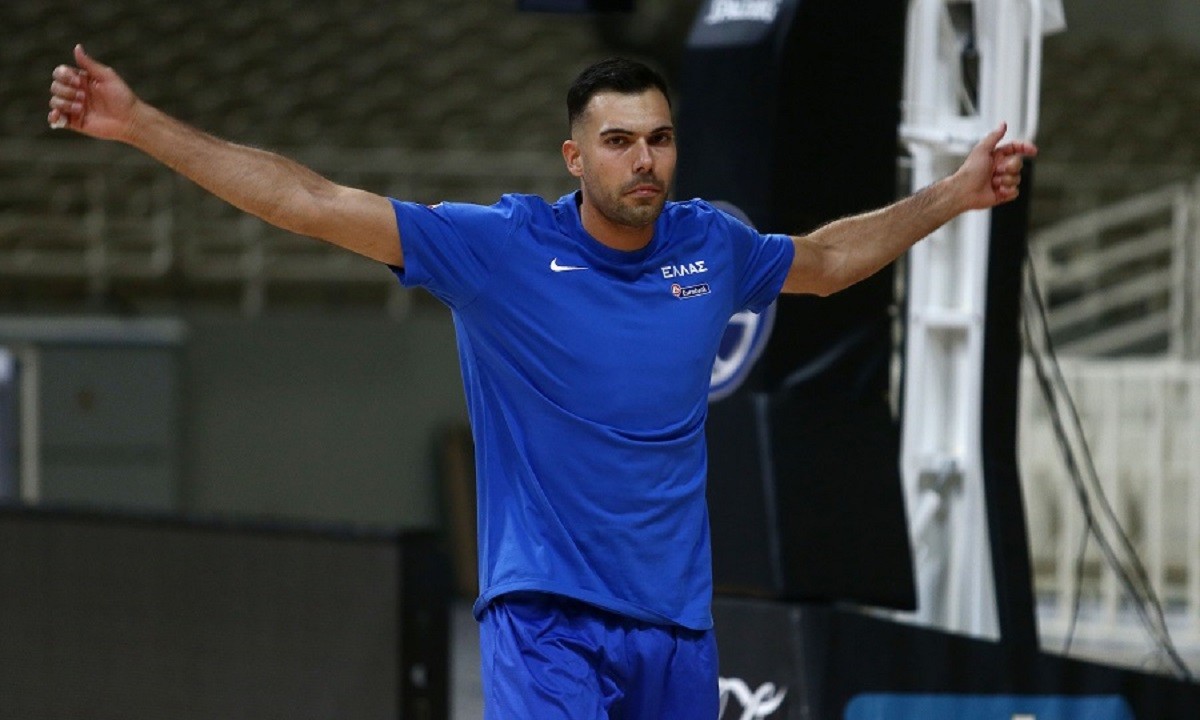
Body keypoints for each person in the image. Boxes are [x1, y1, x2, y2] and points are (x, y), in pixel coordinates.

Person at [48, 46, 1035, 719]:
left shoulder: (712, 246)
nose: (644, 160)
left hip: (678, 627)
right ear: (575, 156)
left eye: (659, 139)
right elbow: (309, 201)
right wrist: (141, 126)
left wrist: (956, 193)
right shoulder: (500, 248)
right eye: (619, 141)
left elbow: (826, 260)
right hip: (546, 615)